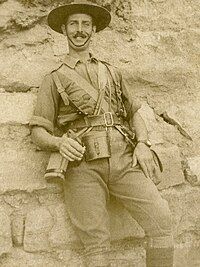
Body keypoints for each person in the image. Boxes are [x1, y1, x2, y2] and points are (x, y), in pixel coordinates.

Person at [30, 1, 174, 266]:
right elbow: (38, 131)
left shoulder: (112, 71)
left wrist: (142, 143)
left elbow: (133, 114)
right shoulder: (54, 78)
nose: (79, 30)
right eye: (74, 24)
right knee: (95, 244)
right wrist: (59, 143)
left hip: (124, 159)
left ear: (94, 29)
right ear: (64, 29)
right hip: (82, 166)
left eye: (86, 24)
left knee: (162, 221)